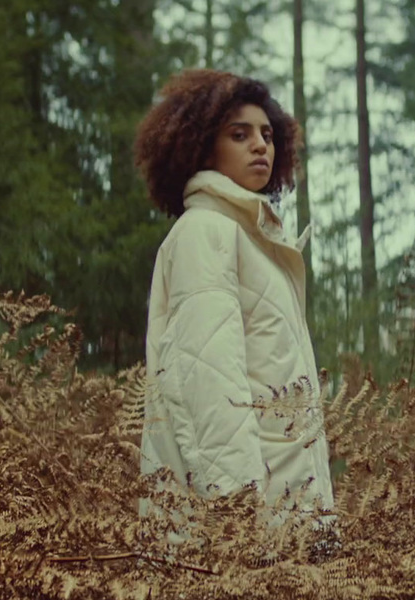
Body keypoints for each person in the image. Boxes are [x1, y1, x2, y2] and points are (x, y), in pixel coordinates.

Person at [132, 69, 334, 540]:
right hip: (241, 530)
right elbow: (207, 383)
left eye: (267, 134)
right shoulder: (207, 232)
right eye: (239, 135)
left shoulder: (257, 241)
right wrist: (239, 518)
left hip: (282, 513)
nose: (260, 145)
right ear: (201, 147)